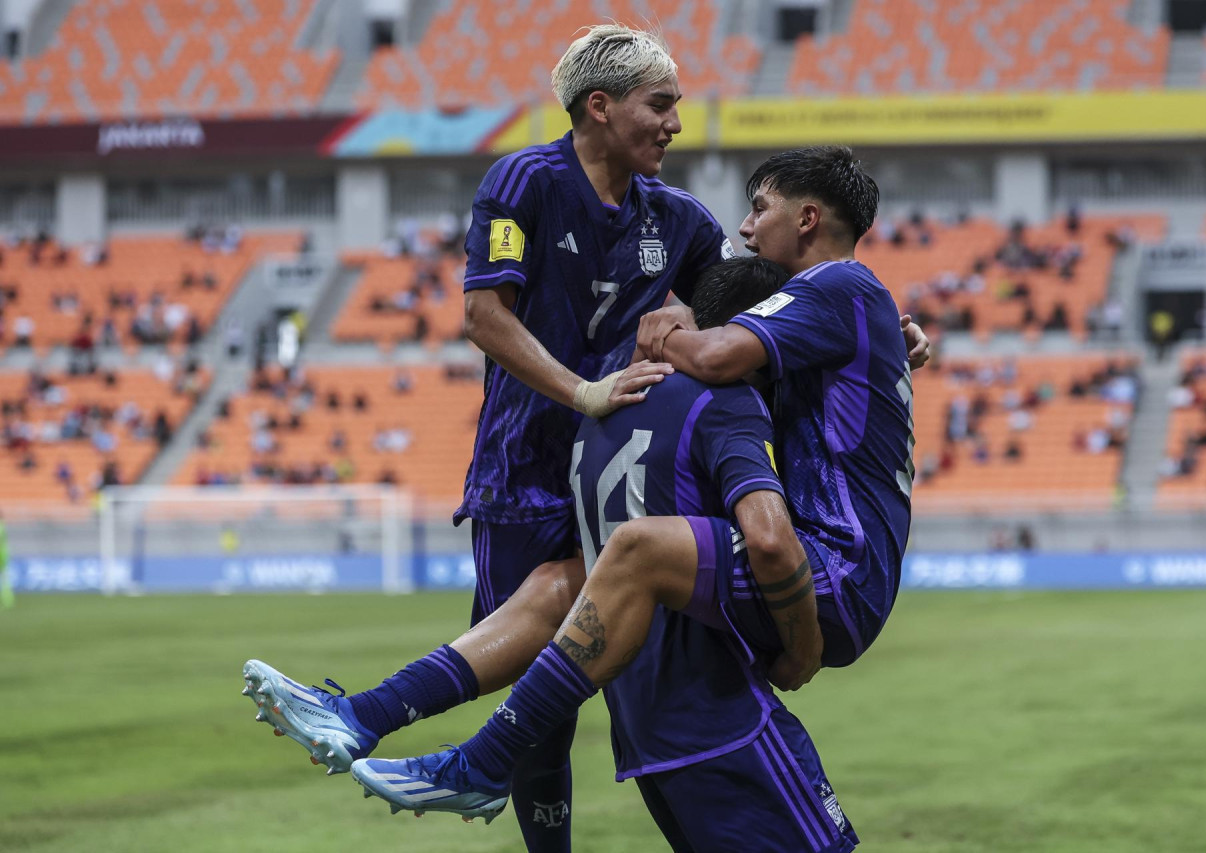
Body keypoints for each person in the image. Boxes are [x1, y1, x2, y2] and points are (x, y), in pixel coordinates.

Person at [241, 29, 929, 846]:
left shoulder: (676, 218)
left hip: (629, 460)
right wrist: (583, 388)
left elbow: (751, 289)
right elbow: (482, 314)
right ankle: (373, 720)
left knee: (582, 635)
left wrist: (891, 327)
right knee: (552, 651)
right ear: (599, 108)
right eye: (661, 104)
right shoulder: (526, 179)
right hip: (528, 463)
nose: (676, 123)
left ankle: (410, 733)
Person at [350, 257, 858, 851]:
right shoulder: (726, 402)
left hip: (639, 720)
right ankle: (476, 756)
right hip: (718, 708)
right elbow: (769, 539)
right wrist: (803, 648)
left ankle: (390, 721)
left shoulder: (607, 411)